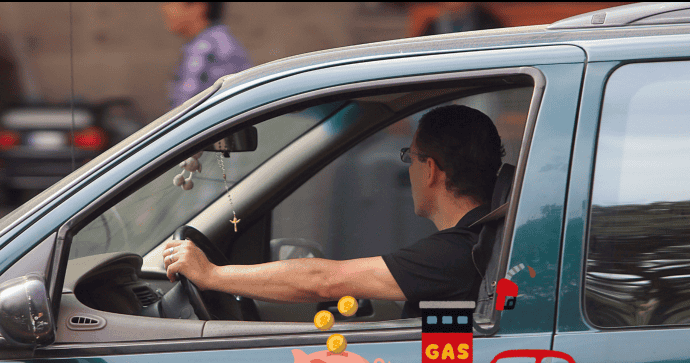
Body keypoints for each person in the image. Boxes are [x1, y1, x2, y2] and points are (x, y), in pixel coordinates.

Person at [164, 105, 504, 318]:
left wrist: (211, 275)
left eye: (408, 157)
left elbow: (325, 281)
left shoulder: (457, 254)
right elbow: (446, 360)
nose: (408, 169)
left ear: (430, 170)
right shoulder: (477, 245)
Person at [162, 2, 251, 109]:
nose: (164, 9)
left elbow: (185, 108)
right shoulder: (219, 40)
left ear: (198, 7)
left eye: (169, 3)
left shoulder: (205, 48)